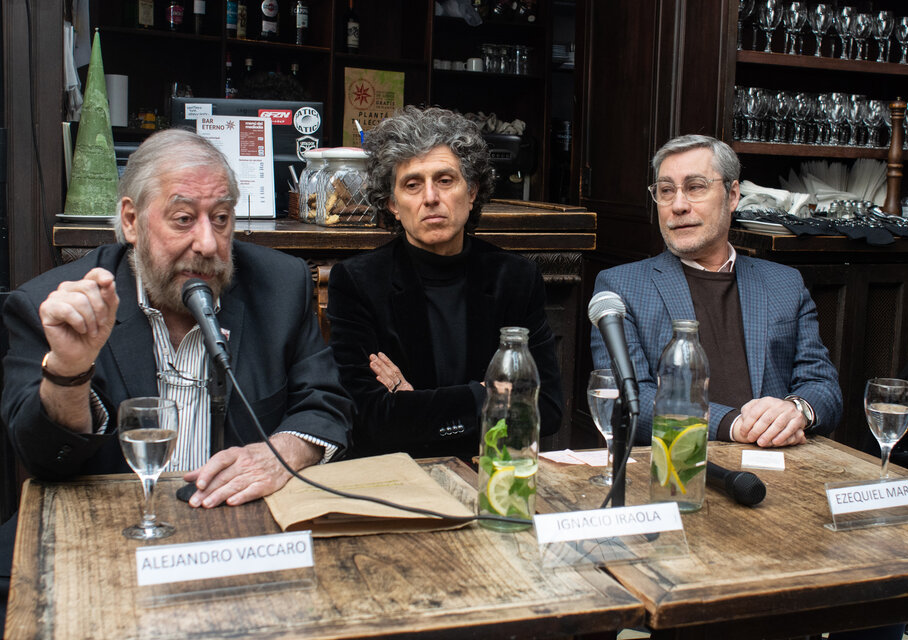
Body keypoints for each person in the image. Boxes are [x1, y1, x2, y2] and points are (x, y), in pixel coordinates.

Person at [1, 129, 353, 509]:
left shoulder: (281, 286)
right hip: (112, 525)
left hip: (238, 525)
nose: (208, 243)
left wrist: (283, 452)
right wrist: (69, 372)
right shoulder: (53, 307)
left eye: (220, 218)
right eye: (183, 219)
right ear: (132, 221)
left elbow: (326, 404)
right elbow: (42, 458)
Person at [326, 106, 562, 460]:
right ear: (392, 203)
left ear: (472, 192)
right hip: (397, 476)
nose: (431, 198)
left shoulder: (515, 278)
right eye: (412, 184)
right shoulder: (358, 282)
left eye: (445, 180)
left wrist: (410, 403)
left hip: (488, 470)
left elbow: (548, 408)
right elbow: (368, 419)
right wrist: (485, 396)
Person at [591, 134, 841, 447]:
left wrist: (797, 410)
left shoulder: (785, 284)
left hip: (779, 463)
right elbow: (629, 401)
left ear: (732, 195)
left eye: (695, 187)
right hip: (675, 469)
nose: (678, 205)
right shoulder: (622, 288)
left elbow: (823, 386)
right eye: (666, 191)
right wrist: (732, 424)